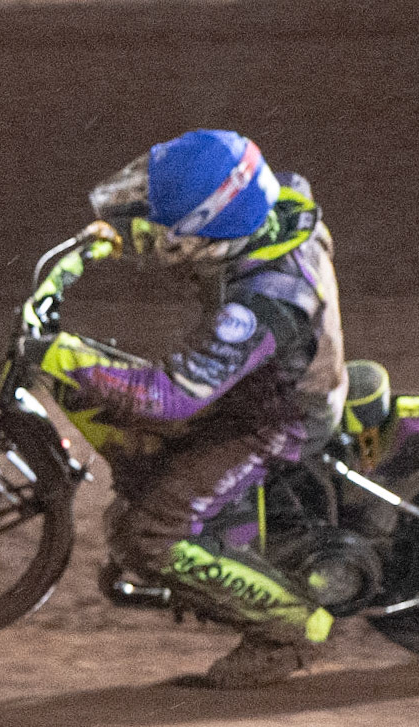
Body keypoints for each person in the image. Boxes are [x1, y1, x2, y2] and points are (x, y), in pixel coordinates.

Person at [31, 129, 348, 688]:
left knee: (150, 533)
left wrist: (66, 362)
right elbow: (201, 208)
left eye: (166, 220)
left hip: (274, 419)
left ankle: (290, 627)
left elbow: (172, 399)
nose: (153, 223)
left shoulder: (263, 303)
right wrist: (128, 230)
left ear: (215, 229)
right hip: (264, 382)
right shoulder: (279, 200)